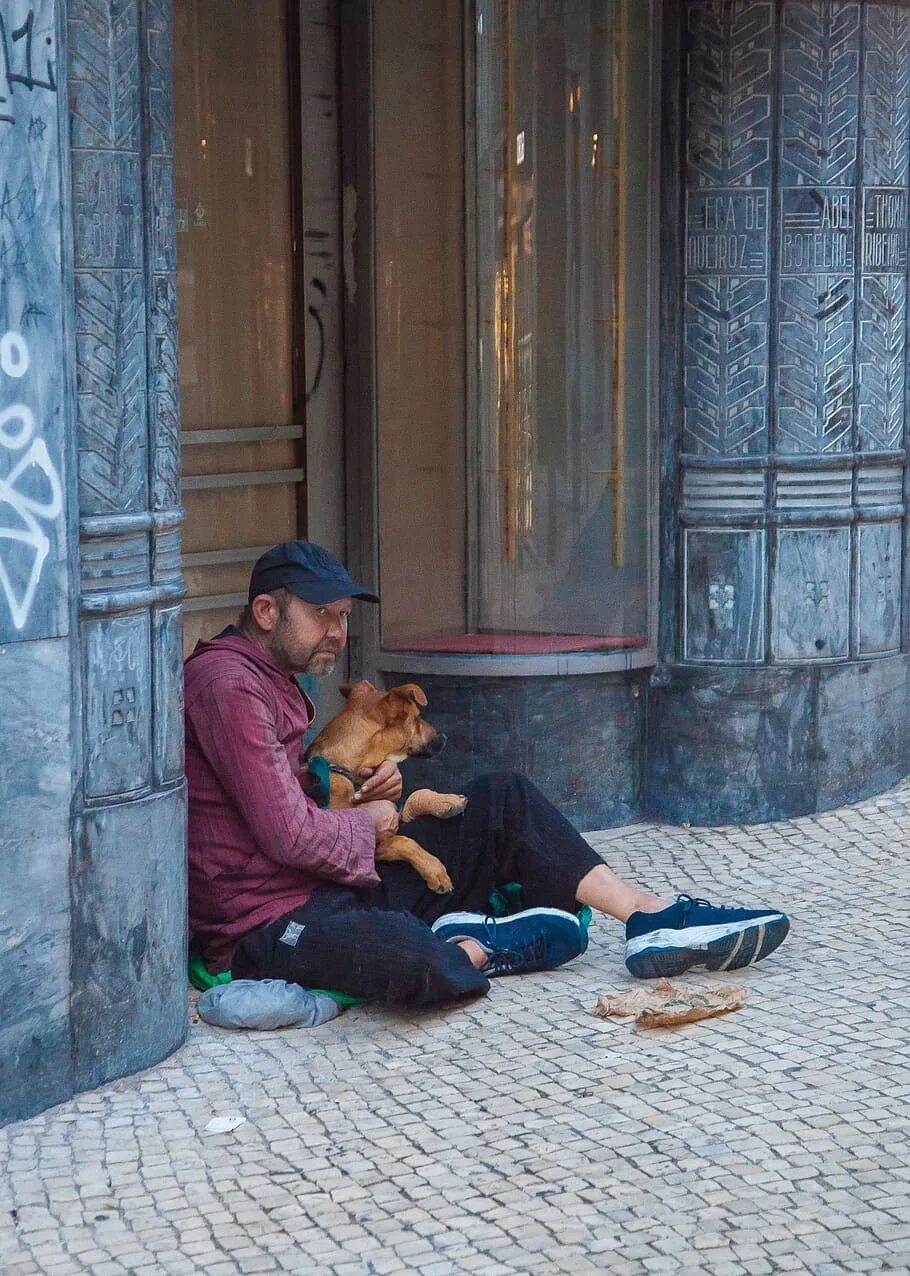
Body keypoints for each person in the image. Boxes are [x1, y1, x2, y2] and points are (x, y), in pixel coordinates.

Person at [185, 540, 790, 1008]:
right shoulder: (228, 685)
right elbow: (286, 835)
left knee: (502, 799)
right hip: (269, 920)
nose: (338, 634)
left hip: (333, 879)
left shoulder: (273, 677)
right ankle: (477, 942)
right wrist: (369, 822)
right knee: (416, 964)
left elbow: (300, 798)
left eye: (342, 617)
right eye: (323, 616)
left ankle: (650, 917)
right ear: (267, 611)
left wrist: (374, 791)